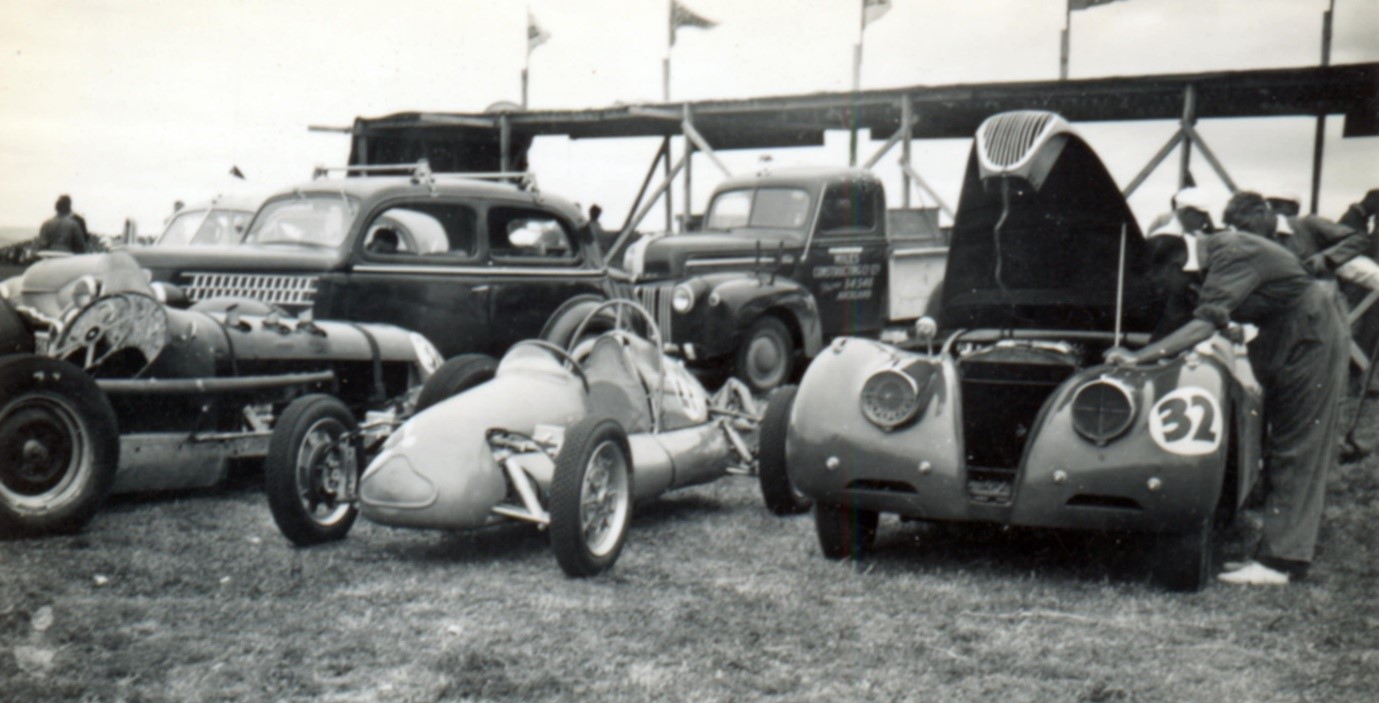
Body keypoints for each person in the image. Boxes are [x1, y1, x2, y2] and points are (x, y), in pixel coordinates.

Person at [1106, 222, 1349, 586]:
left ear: (1173, 266)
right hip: (1288, 335)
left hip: (1310, 335)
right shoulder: (1201, 262)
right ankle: (1277, 551)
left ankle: (1282, 562)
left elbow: (1202, 326)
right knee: (1282, 445)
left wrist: (1139, 358)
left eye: (1157, 281)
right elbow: (1176, 321)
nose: (1157, 290)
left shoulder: (1230, 253)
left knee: (1298, 448)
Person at [1224, 191, 1378, 289]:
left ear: (1260, 212)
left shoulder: (1308, 224)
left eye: (1245, 226)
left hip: (1332, 306)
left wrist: (1327, 258)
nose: (1244, 233)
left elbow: (1359, 238)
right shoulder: (1255, 247)